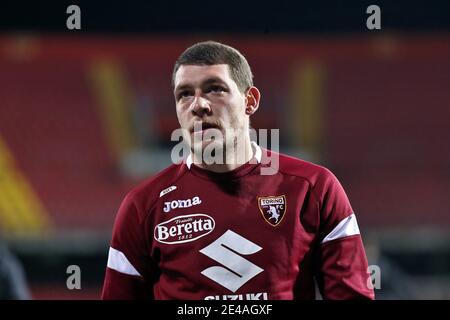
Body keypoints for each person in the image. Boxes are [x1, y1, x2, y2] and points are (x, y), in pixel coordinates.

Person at [101, 41, 374, 300]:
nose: (198, 105)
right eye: (184, 94)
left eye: (214, 89)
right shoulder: (143, 205)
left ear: (250, 101)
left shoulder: (313, 188)